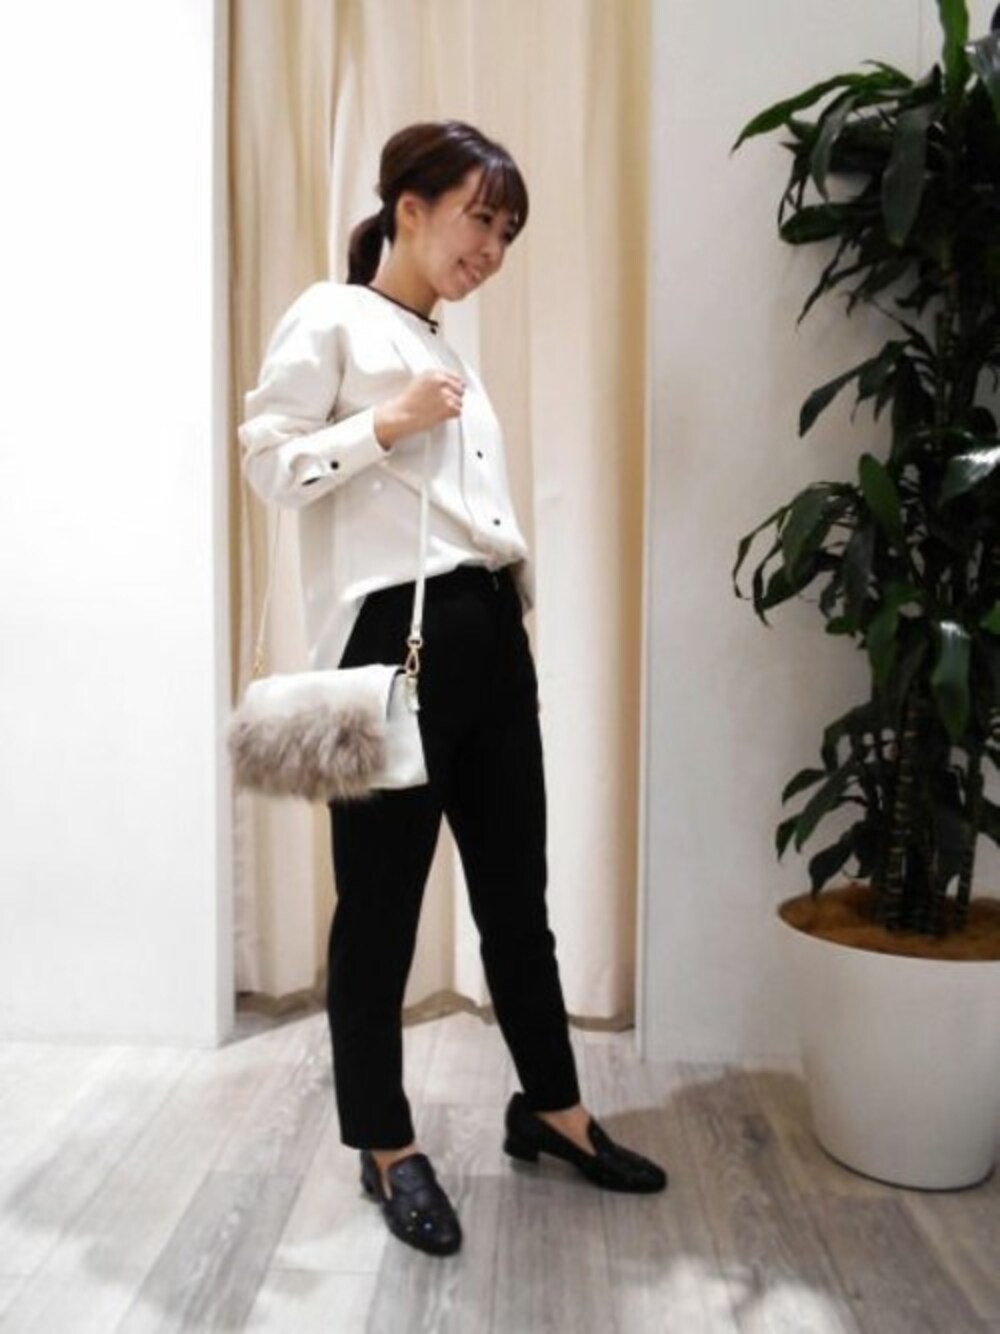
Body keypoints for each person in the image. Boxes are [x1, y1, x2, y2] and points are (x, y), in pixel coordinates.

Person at [238, 119, 667, 1258]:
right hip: (390, 644)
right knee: (378, 914)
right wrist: (384, 422)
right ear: (410, 206)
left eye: (508, 232)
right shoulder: (332, 315)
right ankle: (386, 1145)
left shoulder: (444, 347)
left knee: (516, 897)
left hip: (484, 635)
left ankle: (552, 1108)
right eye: (482, 218)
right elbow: (268, 460)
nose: (493, 248)